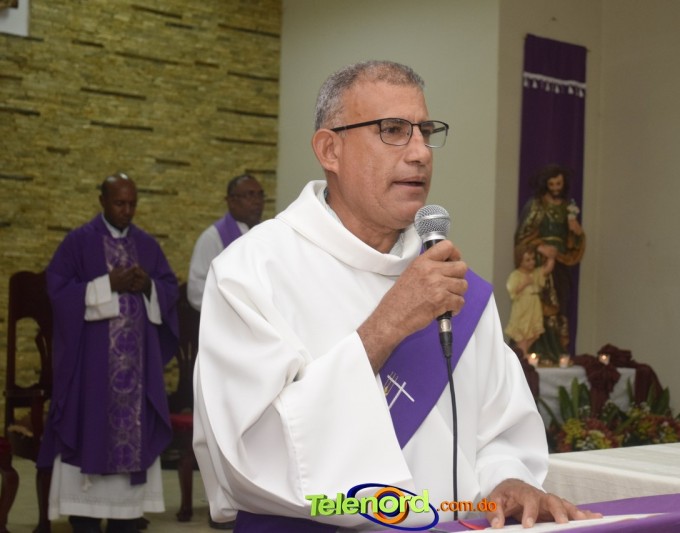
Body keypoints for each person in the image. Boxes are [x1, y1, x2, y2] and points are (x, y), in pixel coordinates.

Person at [193, 60, 599, 531]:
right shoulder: (252, 273)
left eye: (425, 131)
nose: (421, 152)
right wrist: (385, 327)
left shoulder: (457, 286)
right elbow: (245, 455)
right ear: (330, 149)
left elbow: (501, 430)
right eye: (393, 130)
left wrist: (506, 480)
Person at [38, 173, 179, 533]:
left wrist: (148, 285)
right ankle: (84, 514)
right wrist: (107, 285)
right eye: (119, 203)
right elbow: (58, 291)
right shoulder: (78, 242)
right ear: (102, 201)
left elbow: (169, 289)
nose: (127, 210)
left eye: (132, 203)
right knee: (89, 428)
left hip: (136, 374)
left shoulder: (146, 245)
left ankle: (126, 517)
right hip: (92, 371)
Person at [514, 164, 586, 363]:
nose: (555, 188)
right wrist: (540, 247)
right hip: (539, 264)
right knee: (538, 305)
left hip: (561, 264)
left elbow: (574, 240)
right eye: (551, 184)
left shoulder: (567, 208)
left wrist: (576, 231)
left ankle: (555, 350)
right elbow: (522, 236)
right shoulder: (537, 206)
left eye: (558, 184)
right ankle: (536, 351)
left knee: (560, 304)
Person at [187, 174, 265, 310]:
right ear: (231, 201)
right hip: (227, 316)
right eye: (250, 195)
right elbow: (196, 290)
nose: (257, 201)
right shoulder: (212, 238)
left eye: (260, 195)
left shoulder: (266, 235)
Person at [505, 244, 556, 356]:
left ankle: (523, 355)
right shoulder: (516, 275)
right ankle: (522, 357)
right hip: (523, 309)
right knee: (523, 335)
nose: (532, 262)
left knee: (532, 335)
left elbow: (548, 268)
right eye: (527, 260)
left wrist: (549, 255)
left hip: (534, 308)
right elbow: (512, 291)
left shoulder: (535, 273)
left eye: (533, 259)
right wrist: (524, 284)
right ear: (520, 260)